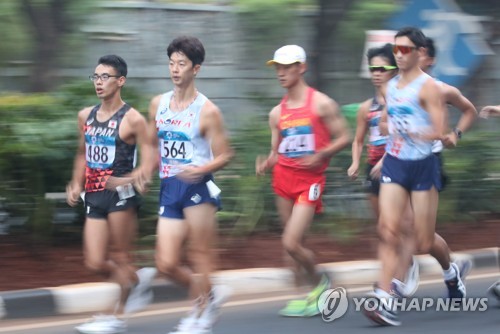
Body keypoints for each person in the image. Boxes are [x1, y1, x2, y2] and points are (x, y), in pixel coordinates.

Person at [148, 36, 234, 334]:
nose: (174, 69)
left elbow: (226, 154)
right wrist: (145, 170)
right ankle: (209, 295)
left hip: (198, 187)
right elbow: (151, 144)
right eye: (171, 63)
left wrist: (203, 168)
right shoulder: (157, 104)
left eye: (181, 64)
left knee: (200, 255)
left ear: (195, 69)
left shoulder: (208, 111)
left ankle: (199, 314)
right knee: (166, 263)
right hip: (170, 186)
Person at [256, 45, 350, 317]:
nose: (281, 73)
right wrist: (267, 161)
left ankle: (322, 282)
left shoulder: (321, 103)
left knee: (291, 243)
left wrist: (321, 154)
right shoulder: (277, 113)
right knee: (293, 247)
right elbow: (278, 149)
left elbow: (343, 136)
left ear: (302, 68)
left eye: (287, 67)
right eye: (278, 68)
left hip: (309, 181)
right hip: (282, 180)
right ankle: (308, 296)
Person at [361, 27, 446, 326]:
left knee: (422, 239)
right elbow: (386, 118)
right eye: (396, 49)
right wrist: (386, 125)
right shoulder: (391, 86)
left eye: (405, 50)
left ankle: (443, 271)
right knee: (387, 229)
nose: (398, 54)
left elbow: (439, 131)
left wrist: (417, 132)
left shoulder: (429, 87)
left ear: (420, 53)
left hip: (423, 164)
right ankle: (385, 299)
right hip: (396, 162)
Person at [66, 55, 157, 334]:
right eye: (95, 76)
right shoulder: (86, 116)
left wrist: (137, 178)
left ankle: (115, 315)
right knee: (94, 261)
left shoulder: (132, 119)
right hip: (93, 195)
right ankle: (135, 280)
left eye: (105, 77)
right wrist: (75, 182)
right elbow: (83, 153)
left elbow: (150, 157)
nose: (99, 82)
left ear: (121, 81)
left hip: (121, 195)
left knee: (120, 255)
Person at [391, 36, 477, 299]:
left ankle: (451, 272)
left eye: (417, 53)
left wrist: (455, 135)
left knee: (423, 238)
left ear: (428, 58)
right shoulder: (398, 89)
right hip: (400, 163)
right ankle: (393, 287)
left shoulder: (441, 90)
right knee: (401, 225)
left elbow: (469, 110)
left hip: (429, 163)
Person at [348, 43, 398, 220]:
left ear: (394, 70)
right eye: (373, 69)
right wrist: (355, 163)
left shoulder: (402, 103)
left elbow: (404, 136)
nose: (376, 73)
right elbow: (358, 140)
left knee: (399, 222)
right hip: (373, 168)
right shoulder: (366, 107)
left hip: (397, 164)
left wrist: (385, 160)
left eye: (382, 69)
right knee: (382, 223)